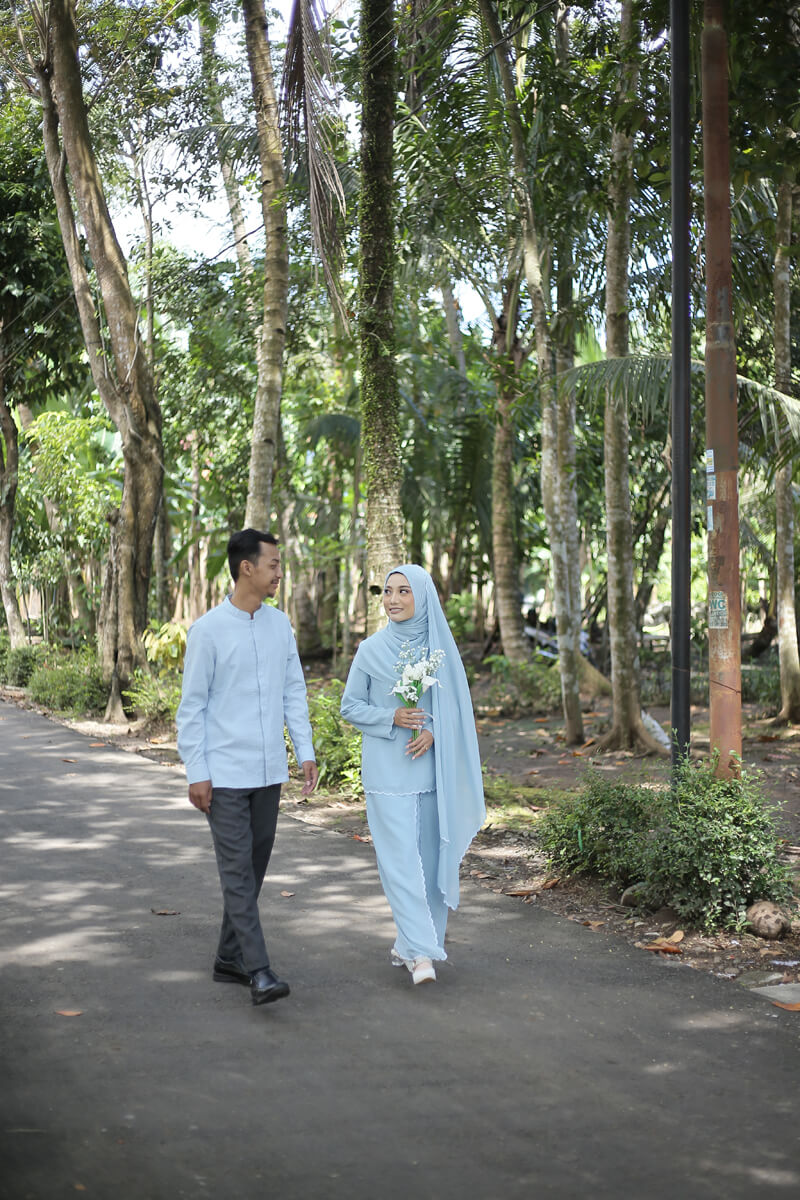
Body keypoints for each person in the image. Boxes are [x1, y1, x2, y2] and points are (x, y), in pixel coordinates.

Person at [176, 528, 318, 1006]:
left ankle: (228, 958)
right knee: (237, 872)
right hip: (224, 775)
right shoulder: (208, 631)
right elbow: (192, 708)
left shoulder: (280, 626)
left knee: (251, 871)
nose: (280, 572)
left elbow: (293, 691)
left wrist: (305, 751)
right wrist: (197, 770)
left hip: (268, 773)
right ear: (247, 568)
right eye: (273, 564)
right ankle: (259, 970)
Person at [340, 564, 485, 985]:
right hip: (387, 773)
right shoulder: (370, 649)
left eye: (404, 591)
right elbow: (350, 706)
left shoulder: (438, 650)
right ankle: (423, 953)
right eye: (388, 591)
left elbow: (454, 708)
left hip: (431, 772)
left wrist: (434, 731)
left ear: (423, 597)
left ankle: (412, 945)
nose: (393, 599)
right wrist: (391, 717)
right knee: (400, 863)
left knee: (432, 863)